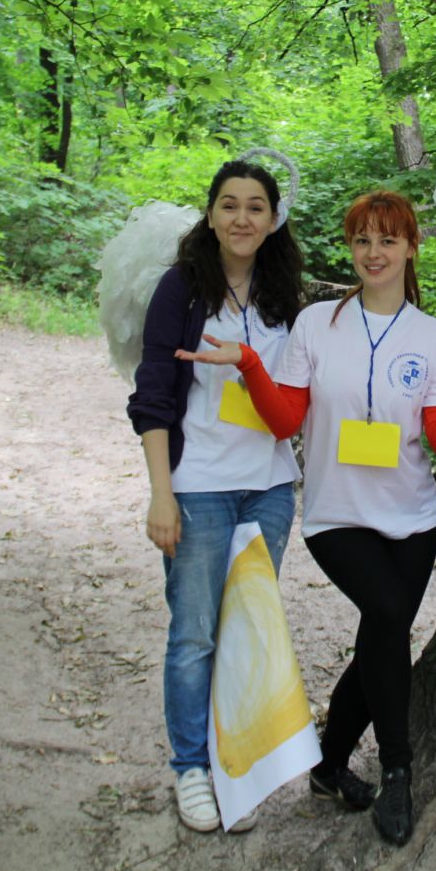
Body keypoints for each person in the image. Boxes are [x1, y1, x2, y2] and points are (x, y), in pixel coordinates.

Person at [180, 190, 436, 846]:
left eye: (388, 239)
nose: (374, 252)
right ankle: (398, 770)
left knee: (381, 638)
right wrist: (248, 364)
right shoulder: (315, 325)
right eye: (362, 240)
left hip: (413, 520)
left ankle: (329, 767)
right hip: (336, 517)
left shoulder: (433, 337)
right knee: (387, 618)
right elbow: (286, 420)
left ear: (411, 248)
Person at [126, 157, 305, 834]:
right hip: (198, 487)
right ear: (210, 213)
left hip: (269, 489)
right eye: (229, 204)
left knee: (245, 631)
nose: (241, 218)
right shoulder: (181, 289)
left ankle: (234, 766)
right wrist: (161, 495)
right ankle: (191, 768)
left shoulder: (283, 292)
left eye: (255, 206)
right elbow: (152, 394)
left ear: (273, 218)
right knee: (195, 633)